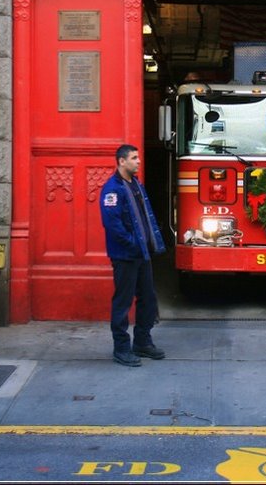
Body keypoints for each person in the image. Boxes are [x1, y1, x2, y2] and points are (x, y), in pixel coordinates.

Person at [99, 144, 167, 367]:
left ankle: (142, 342)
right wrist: (132, 244)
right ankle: (121, 348)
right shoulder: (112, 189)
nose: (138, 161)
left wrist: (150, 244)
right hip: (125, 256)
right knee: (123, 301)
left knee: (148, 298)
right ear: (121, 161)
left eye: (138, 157)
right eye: (134, 158)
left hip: (142, 254)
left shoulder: (137, 185)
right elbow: (113, 224)